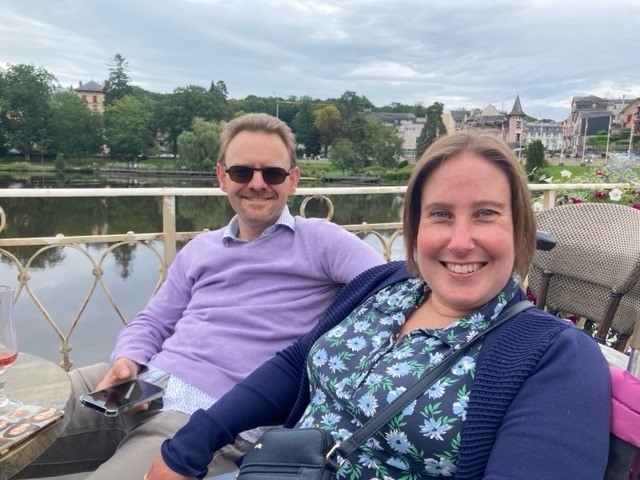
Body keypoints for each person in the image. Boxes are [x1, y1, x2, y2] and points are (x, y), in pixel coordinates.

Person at [147, 130, 611, 480]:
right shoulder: (384, 285)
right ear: (415, 227)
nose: (460, 240)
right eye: (440, 214)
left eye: (486, 213)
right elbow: (295, 363)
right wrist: (189, 447)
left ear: (520, 228)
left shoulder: (554, 357)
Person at [14, 113, 383, 479]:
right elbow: (153, 320)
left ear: (293, 180)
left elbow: (397, 292)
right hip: (137, 387)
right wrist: (127, 359)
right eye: (242, 172)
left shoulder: (321, 241)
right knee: (10, 426)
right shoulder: (200, 248)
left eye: (272, 173)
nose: (257, 184)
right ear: (222, 177)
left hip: (210, 421)